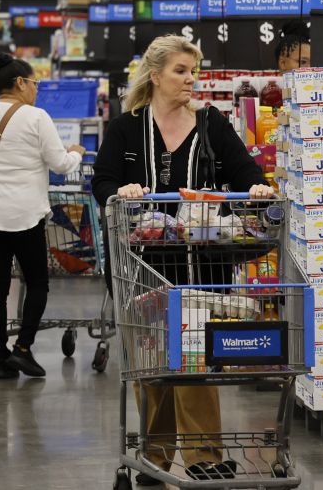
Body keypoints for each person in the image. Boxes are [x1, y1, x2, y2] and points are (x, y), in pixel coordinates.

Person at [92, 35, 274, 483]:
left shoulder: (212, 123)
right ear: (156, 76)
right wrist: (122, 192)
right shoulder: (126, 128)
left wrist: (257, 188)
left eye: (194, 70)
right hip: (142, 273)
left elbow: (246, 170)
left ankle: (203, 457)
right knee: (153, 370)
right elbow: (102, 183)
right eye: (180, 71)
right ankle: (154, 457)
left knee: (192, 362)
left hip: (202, 271)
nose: (190, 79)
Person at [0, 53, 86, 379]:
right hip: (26, 214)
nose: (37, 90)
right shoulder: (37, 117)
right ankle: (23, 349)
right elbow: (60, 164)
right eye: (35, 83)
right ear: (20, 83)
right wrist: (76, 154)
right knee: (37, 283)